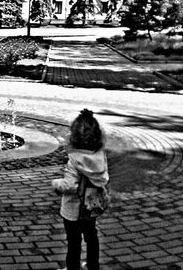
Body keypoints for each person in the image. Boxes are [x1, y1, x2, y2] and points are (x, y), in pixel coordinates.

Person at [51, 109, 109, 270]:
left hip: (73, 209)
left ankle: (72, 268)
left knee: (74, 242)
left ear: (74, 136)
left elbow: (70, 186)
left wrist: (56, 184)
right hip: (92, 207)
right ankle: (92, 265)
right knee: (91, 236)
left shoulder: (74, 162)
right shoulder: (100, 156)